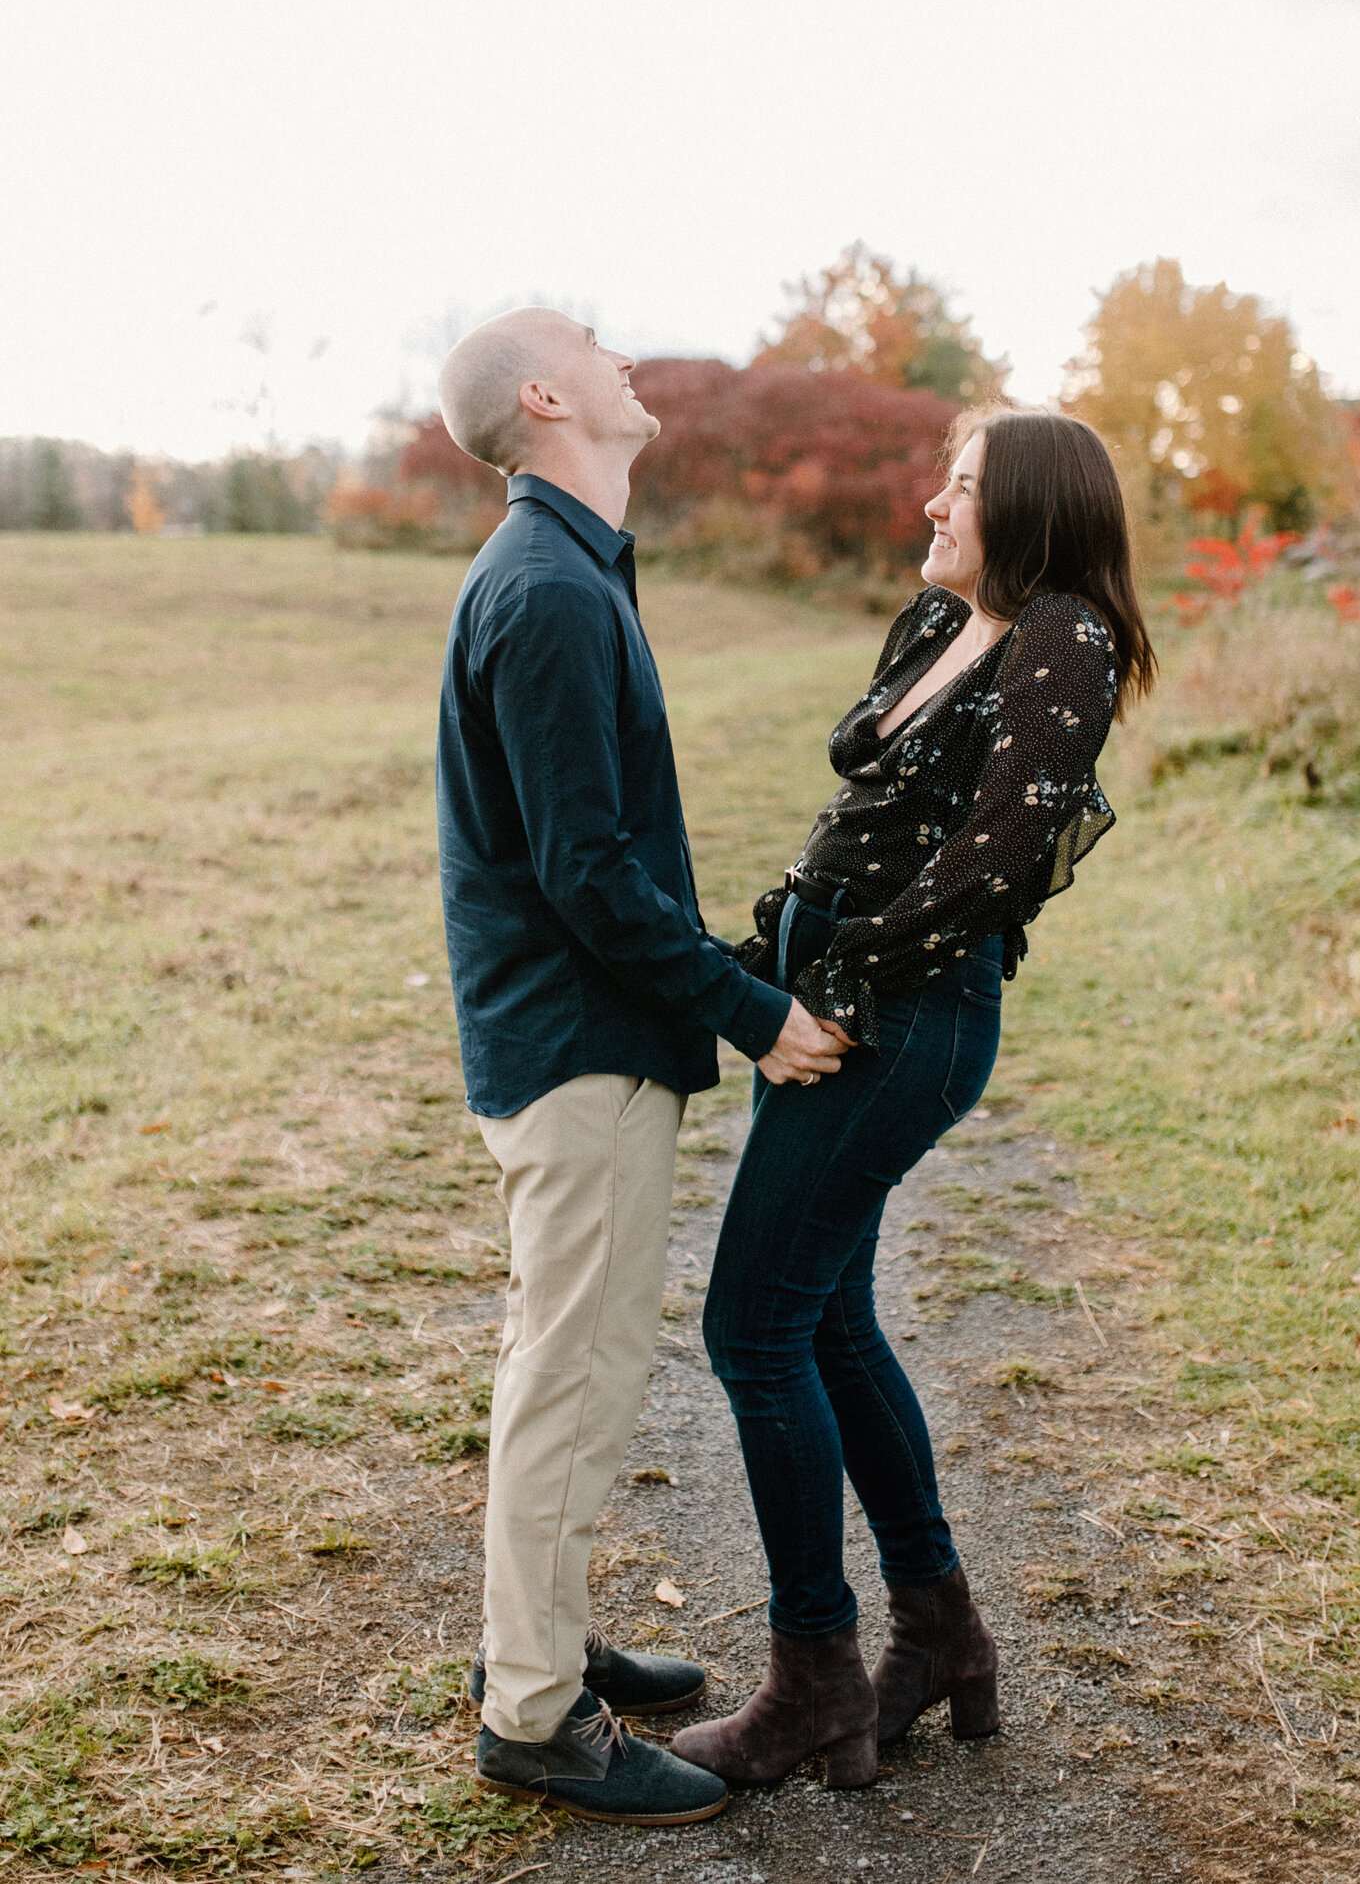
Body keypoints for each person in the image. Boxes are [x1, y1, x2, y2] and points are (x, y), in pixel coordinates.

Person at [671, 408, 1157, 1791]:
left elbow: (996, 860)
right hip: (837, 984)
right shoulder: (934, 619)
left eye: (961, 482)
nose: (932, 501)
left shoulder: (1066, 633)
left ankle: (815, 1671)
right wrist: (768, 947)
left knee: (753, 1324)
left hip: (906, 1013)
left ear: (1033, 505)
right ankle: (939, 1630)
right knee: (822, 1314)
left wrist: (830, 980)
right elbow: (874, 812)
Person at [433, 309, 850, 1826]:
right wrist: (753, 1009)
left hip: (574, 1041)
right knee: (578, 1373)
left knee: (557, 1355)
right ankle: (537, 1714)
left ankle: (534, 1645)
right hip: (577, 1049)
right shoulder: (543, 587)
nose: (628, 356)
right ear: (545, 398)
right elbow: (591, 876)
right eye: (594, 344)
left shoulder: (570, 565)